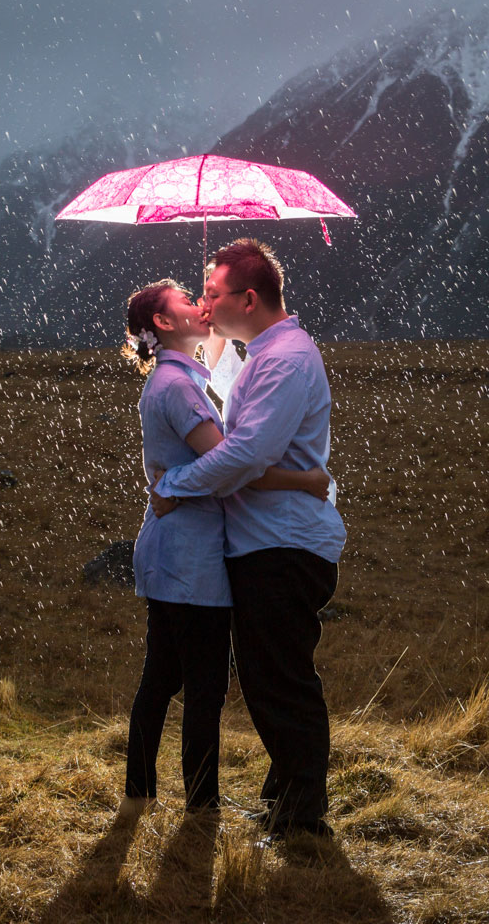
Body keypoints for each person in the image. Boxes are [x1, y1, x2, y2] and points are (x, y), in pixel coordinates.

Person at [151, 239, 346, 843]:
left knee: (280, 678)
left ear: (249, 298)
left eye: (212, 294)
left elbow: (246, 453)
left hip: (283, 544)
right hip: (266, 541)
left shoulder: (285, 359)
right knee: (266, 677)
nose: (204, 305)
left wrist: (175, 485)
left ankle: (302, 815)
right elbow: (225, 404)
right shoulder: (263, 353)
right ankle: (286, 797)